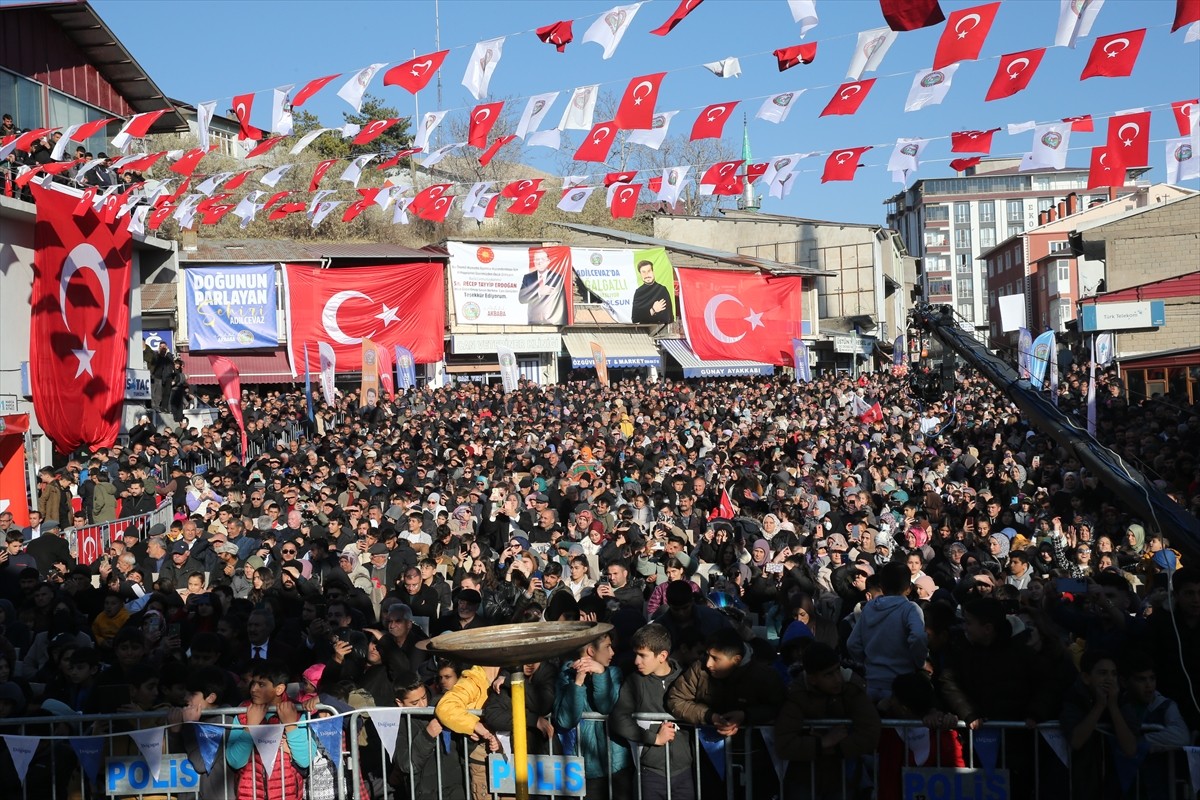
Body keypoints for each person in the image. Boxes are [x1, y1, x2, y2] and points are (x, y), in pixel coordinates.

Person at [775, 642, 881, 800]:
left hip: (843, 776)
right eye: (828, 674)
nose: (837, 679)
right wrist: (823, 743)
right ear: (812, 679)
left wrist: (836, 748)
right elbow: (784, 743)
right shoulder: (797, 694)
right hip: (804, 779)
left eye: (837, 670)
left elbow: (871, 732)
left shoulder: (852, 688)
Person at [610, 623, 693, 800]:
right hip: (650, 773)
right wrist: (654, 738)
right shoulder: (635, 681)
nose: (636, 661)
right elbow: (618, 719)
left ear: (662, 656)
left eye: (642, 655)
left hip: (684, 771)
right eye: (635, 654)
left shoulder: (685, 678)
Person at [552, 630, 631, 799]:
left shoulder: (614, 673)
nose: (612, 652)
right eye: (608, 647)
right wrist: (578, 682)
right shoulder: (566, 674)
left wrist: (601, 674)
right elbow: (565, 720)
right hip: (584, 767)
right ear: (591, 651)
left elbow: (606, 706)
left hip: (616, 764)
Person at [225, 659, 315, 800]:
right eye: (253, 683)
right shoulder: (243, 712)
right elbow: (235, 761)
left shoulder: (296, 711)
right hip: (249, 795)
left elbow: (305, 760)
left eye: (261, 684)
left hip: (288, 794)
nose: (253, 689)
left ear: (279, 689)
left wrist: (291, 726)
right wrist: (250, 727)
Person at [846, 561, 928, 702]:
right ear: (908, 589)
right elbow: (919, 637)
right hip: (901, 685)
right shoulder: (910, 609)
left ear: (882, 587)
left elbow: (852, 643)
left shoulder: (869, 607)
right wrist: (919, 662)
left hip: (872, 683)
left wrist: (867, 662)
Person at [518, 247, 567, 326]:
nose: (539, 262)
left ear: (548, 261)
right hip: (533, 320)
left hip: (552, 320)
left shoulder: (556, 278)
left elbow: (561, 300)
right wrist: (538, 292)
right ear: (533, 261)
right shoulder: (528, 278)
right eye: (537, 259)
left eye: (542, 259)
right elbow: (522, 298)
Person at [630, 259, 674, 324]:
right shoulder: (639, 292)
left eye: (649, 271)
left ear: (653, 272)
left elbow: (669, 316)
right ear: (640, 274)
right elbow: (635, 318)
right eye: (643, 272)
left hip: (662, 329)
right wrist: (653, 310)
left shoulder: (662, 290)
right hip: (644, 330)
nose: (647, 275)